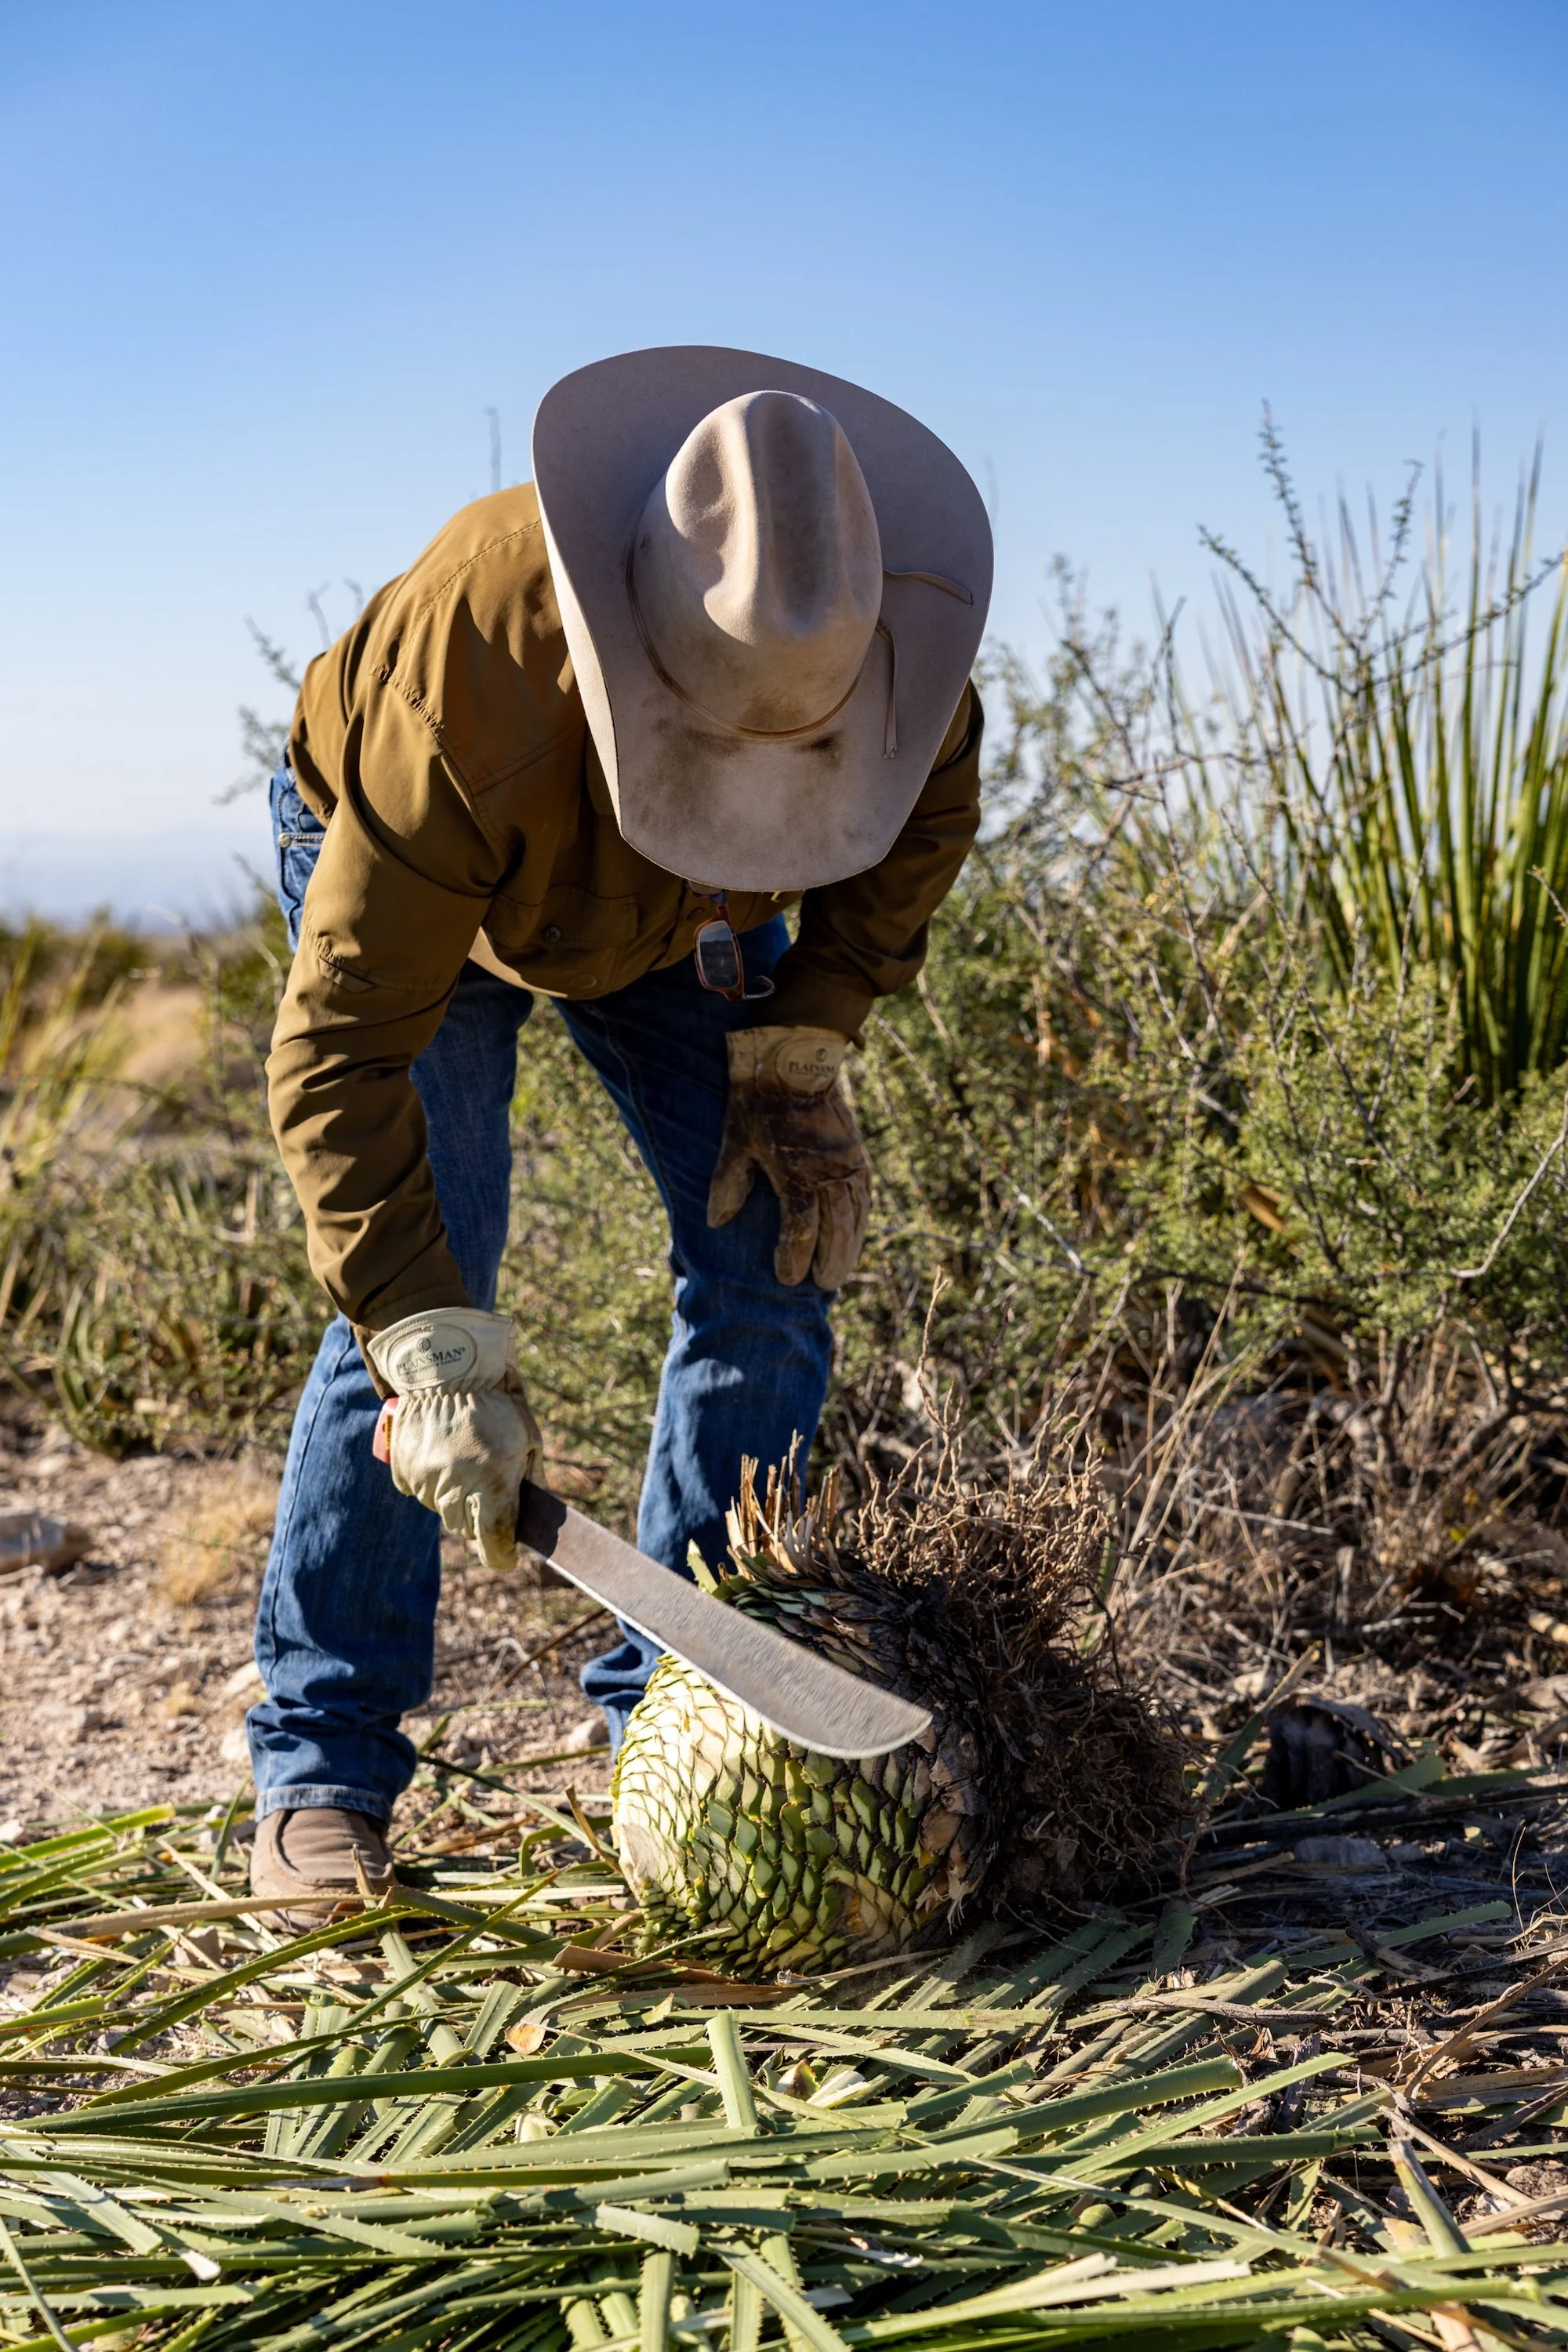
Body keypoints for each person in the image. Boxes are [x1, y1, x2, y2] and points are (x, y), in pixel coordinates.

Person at [246, 344, 992, 1917]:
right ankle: (321, 1769)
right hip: (432, 898)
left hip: (677, 929)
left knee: (764, 1246)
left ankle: (681, 1730)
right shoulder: (460, 688)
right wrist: (428, 1345)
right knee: (424, 1283)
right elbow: (339, 1061)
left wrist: (808, 1035)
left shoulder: (879, 638)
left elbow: (913, 834)